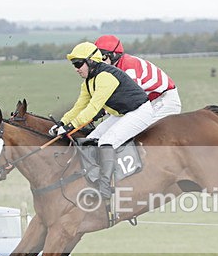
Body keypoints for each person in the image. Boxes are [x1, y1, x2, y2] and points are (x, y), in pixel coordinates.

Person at [50, 42, 158, 199]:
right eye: (74, 65)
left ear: (92, 61)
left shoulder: (105, 77)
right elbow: (79, 107)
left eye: (79, 63)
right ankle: (94, 177)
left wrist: (71, 126)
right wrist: (61, 122)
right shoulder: (88, 82)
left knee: (106, 142)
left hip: (139, 112)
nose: (76, 68)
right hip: (122, 113)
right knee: (90, 140)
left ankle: (105, 187)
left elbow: (93, 109)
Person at [94, 35, 182, 119]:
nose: (100, 62)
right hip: (149, 102)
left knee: (142, 131)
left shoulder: (128, 66)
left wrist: (104, 111)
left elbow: (131, 98)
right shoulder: (113, 68)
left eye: (103, 57)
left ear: (114, 55)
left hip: (163, 100)